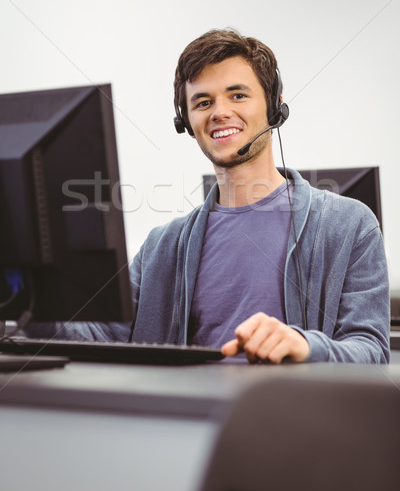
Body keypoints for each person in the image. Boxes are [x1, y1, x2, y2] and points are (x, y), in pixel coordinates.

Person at [27, 28, 390, 363]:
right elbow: (99, 336)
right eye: (202, 102)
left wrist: (305, 345)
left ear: (274, 106)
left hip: (291, 421)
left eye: (238, 95)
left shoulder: (348, 224)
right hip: (189, 422)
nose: (220, 112)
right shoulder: (162, 247)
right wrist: (28, 298)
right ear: (185, 121)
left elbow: (371, 350)